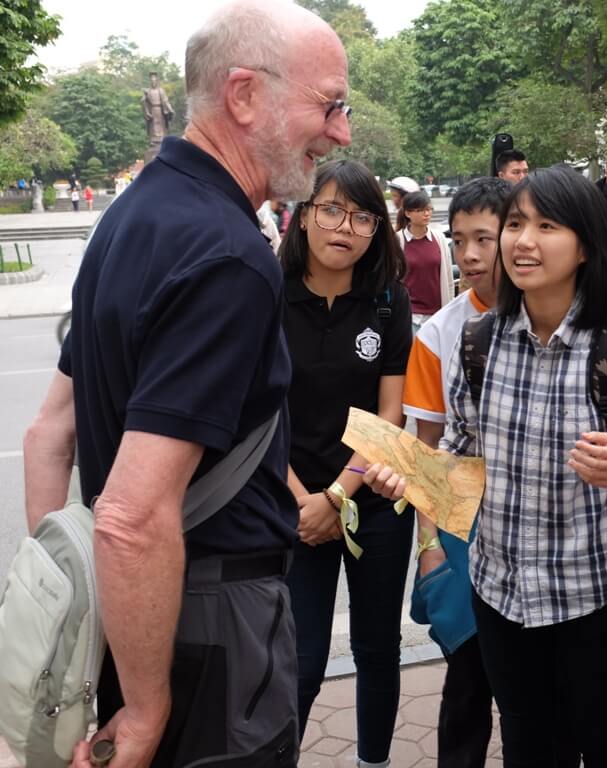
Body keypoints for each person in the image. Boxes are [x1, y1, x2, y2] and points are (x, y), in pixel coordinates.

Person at [20, 3, 402, 767]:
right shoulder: (230, 256)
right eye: (330, 105)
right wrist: (149, 707)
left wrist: (79, 612)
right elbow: (130, 514)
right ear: (244, 95)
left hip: (141, 614)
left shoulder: (133, 217)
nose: (343, 133)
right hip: (207, 625)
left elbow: (48, 434)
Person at [441, 165, 607, 767]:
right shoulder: (477, 343)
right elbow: (460, 459)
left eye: (547, 225)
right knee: (524, 740)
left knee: (601, 741)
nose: (524, 241)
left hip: (592, 595)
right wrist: (408, 476)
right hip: (499, 592)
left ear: (586, 247)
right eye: (516, 224)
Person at [280, 159, 413, 768]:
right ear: (304, 216)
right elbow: (252, 415)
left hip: (374, 497)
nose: (346, 227)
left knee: (377, 649)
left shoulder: (387, 301)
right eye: (330, 209)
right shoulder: (266, 294)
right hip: (291, 506)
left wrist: (338, 495)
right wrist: (307, 502)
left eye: (363, 216)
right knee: (299, 658)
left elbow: (390, 416)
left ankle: (374, 761)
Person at [402, 176, 510, 768]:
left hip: (535, 531)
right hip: (463, 529)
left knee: (536, 698)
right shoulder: (438, 333)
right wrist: (429, 547)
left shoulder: (555, 317)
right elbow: (427, 450)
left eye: (483, 239)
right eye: (459, 239)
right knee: (467, 683)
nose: (468, 255)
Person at [400, 189, 453, 333]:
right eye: (421, 210)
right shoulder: (398, 241)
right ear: (408, 213)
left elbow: (448, 278)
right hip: (410, 315)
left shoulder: (439, 239)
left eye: (429, 209)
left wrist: (448, 310)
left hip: (437, 315)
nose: (427, 213)